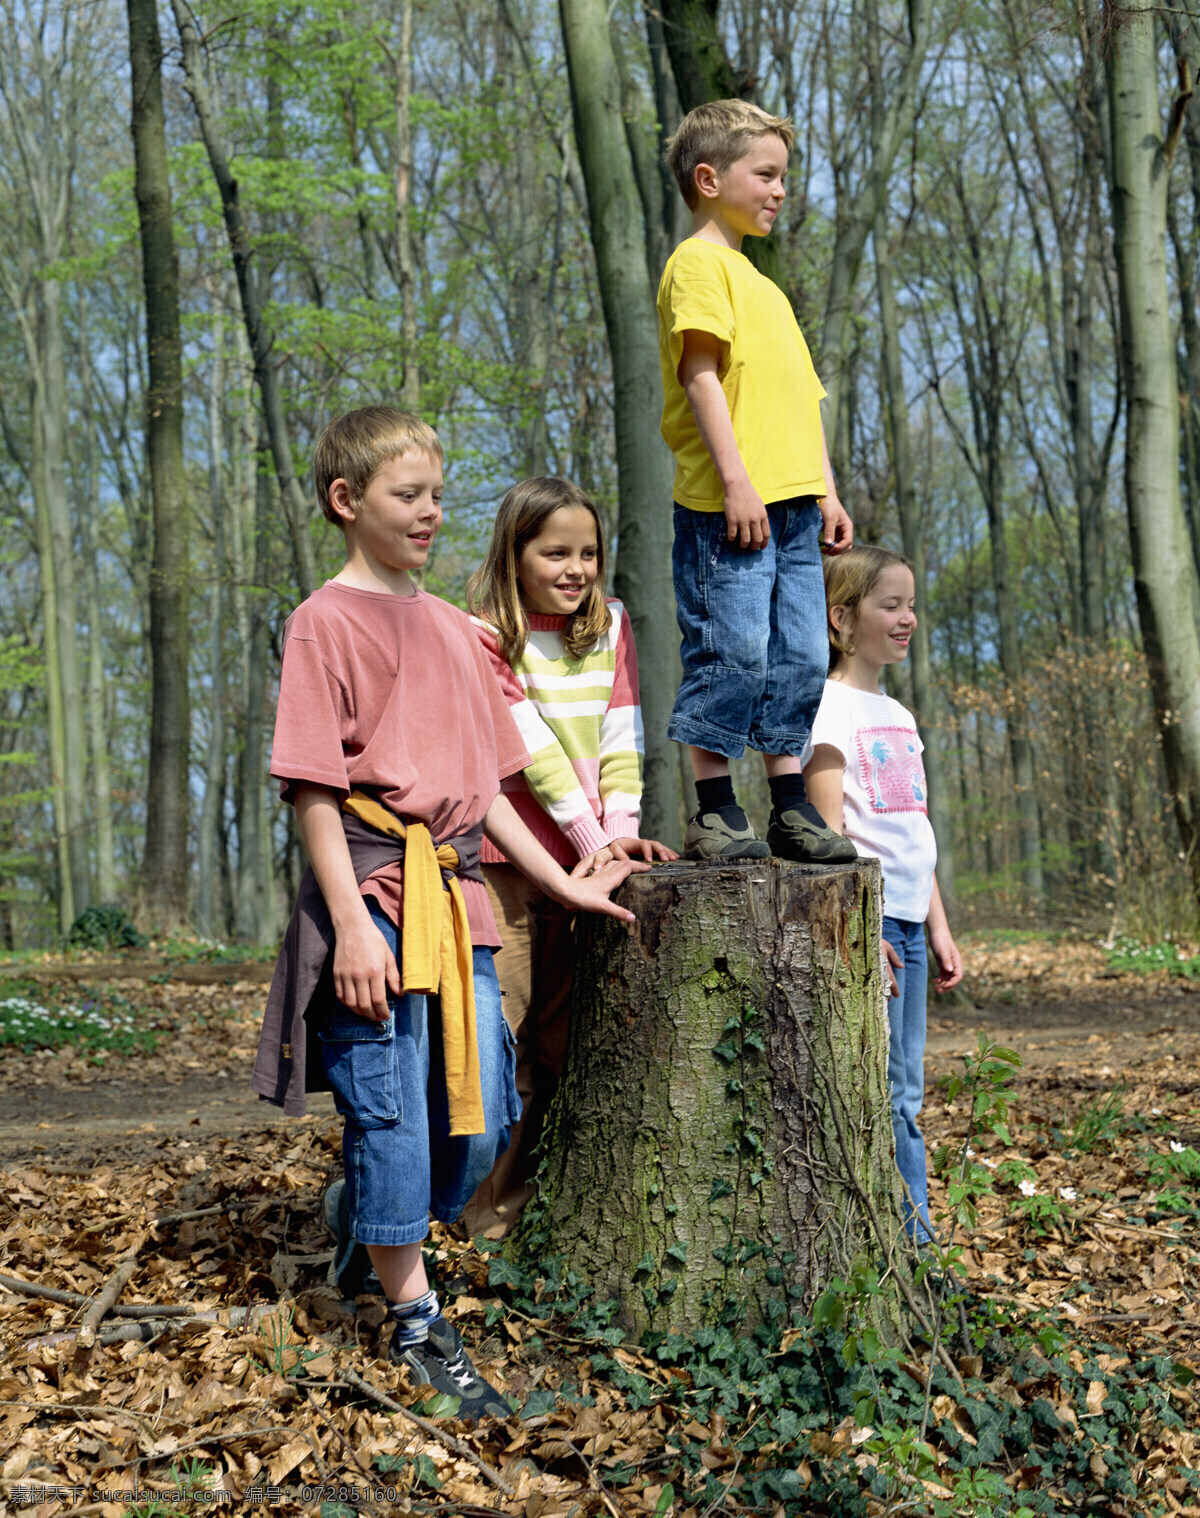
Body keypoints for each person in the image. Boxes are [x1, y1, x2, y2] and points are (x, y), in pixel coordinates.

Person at [251, 409, 645, 1421]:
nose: (430, 513)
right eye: (407, 495)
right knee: (388, 1110)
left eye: (436, 494)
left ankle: (369, 1232)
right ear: (348, 503)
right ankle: (417, 1319)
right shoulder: (323, 621)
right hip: (377, 896)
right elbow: (314, 792)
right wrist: (346, 924)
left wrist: (562, 883)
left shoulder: (460, 637)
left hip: (458, 897)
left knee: (479, 1129)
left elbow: (497, 794)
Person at [458, 477, 677, 1240]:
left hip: (589, 864)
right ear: (514, 554)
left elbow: (623, 734)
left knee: (560, 1040)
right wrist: (594, 847)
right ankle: (466, 1203)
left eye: (588, 551)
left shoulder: (610, 624)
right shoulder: (482, 634)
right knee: (502, 1037)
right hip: (507, 863)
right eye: (555, 552)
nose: (575, 567)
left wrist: (621, 833)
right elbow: (532, 757)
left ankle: (515, 1203)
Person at [657, 98, 858, 864]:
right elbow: (701, 375)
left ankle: (788, 805)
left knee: (801, 655)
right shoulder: (697, 266)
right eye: (764, 174)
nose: (780, 189)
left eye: (785, 176)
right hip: (728, 505)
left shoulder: (767, 288)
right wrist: (737, 482)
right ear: (709, 178)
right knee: (731, 650)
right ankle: (714, 809)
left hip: (797, 507)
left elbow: (802, 401)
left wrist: (826, 490)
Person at [802, 544, 964, 1243]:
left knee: (908, 1089)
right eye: (889, 605)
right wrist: (863, 930)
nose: (908, 619)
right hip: (871, 929)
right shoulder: (828, 708)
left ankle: (909, 1231)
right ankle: (910, 1241)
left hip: (909, 923)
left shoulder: (896, 712)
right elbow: (829, 837)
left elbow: (912, 832)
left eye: (910, 605)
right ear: (842, 617)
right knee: (884, 1089)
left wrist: (940, 925)